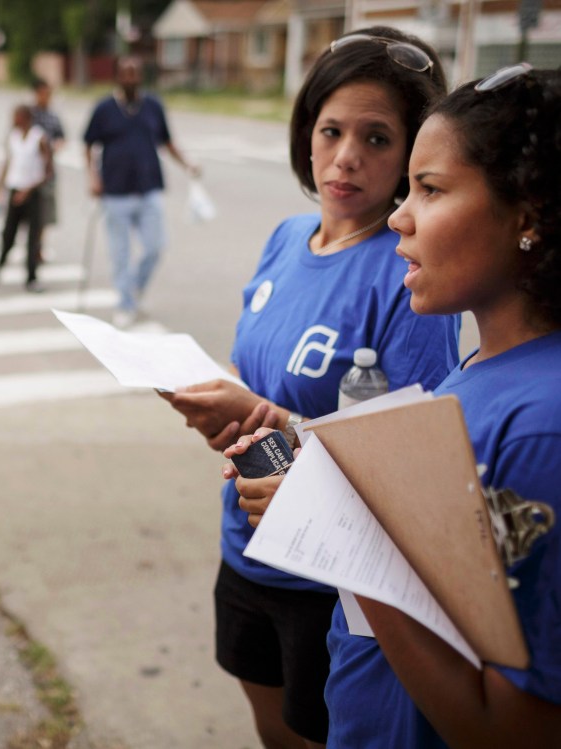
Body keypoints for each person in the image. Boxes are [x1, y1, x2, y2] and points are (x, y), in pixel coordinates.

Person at [228, 64, 561, 748]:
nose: (401, 216)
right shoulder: (483, 368)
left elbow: (514, 728)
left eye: (430, 189)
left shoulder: (542, 430)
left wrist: (341, 533)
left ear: (526, 215)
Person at [161, 28, 461, 747]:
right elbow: (257, 379)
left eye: (376, 138)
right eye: (331, 131)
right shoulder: (286, 237)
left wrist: (267, 416)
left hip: (328, 583)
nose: (346, 156)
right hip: (245, 548)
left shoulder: (407, 272)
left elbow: (412, 463)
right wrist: (219, 405)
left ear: (413, 157)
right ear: (306, 134)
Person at [83, 55, 199, 329]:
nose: (131, 77)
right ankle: (125, 304)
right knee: (120, 254)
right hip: (115, 192)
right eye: (126, 72)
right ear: (117, 77)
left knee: (156, 247)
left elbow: (167, 142)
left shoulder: (153, 106)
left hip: (149, 188)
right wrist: (93, 178)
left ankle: (134, 288)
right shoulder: (104, 109)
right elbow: (88, 145)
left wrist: (187, 164)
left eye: (135, 72)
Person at [0, 105, 53, 293]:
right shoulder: (13, 137)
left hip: (33, 193)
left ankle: (31, 277)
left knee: (33, 238)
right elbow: (8, 163)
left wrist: (28, 190)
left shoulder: (39, 138)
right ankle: (0, 264)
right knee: (8, 233)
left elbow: (48, 171)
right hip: (15, 190)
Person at [30, 77, 65, 261]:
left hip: (47, 171)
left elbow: (61, 137)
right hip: (29, 171)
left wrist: (56, 146)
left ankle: (38, 247)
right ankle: (31, 246)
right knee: (29, 213)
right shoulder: (29, 115)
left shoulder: (53, 116)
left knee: (44, 213)